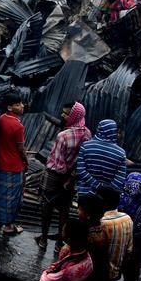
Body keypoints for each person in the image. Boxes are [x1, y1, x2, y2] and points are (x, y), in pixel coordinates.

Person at [36, 102, 92, 250]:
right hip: (71, 177)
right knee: (64, 211)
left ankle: (43, 239)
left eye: (66, 113)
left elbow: (58, 162)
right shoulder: (87, 134)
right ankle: (60, 243)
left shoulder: (63, 136)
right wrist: (70, 178)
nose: (62, 115)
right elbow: (82, 160)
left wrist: (63, 177)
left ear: (74, 116)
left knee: (47, 207)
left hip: (54, 176)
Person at [0, 90, 28, 235]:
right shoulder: (18, 126)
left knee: (0, 194)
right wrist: (26, 160)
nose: (22, 106)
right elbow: (21, 148)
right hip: (15, 166)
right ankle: (8, 226)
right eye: (18, 104)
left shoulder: (1, 119)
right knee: (12, 197)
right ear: (9, 107)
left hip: (2, 164)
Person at [89, 187, 133, 281]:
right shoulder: (127, 218)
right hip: (116, 270)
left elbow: (94, 251)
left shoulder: (103, 223)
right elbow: (129, 250)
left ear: (103, 203)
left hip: (100, 272)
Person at [76, 119, 127, 198]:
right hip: (107, 197)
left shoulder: (85, 146)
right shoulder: (121, 153)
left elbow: (81, 171)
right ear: (113, 131)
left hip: (85, 193)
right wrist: (107, 191)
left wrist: (97, 186)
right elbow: (120, 178)